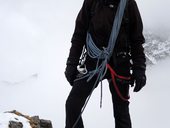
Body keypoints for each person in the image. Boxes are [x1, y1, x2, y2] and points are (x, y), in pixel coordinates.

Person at [64, 0, 146, 128]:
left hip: (120, 63)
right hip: (94, 62)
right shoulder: (91, 2)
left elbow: (136, 40)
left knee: (121, 112)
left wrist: (139, 68)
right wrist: (71, 64)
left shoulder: (128, 3)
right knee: (72, 104)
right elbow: (79, 34)